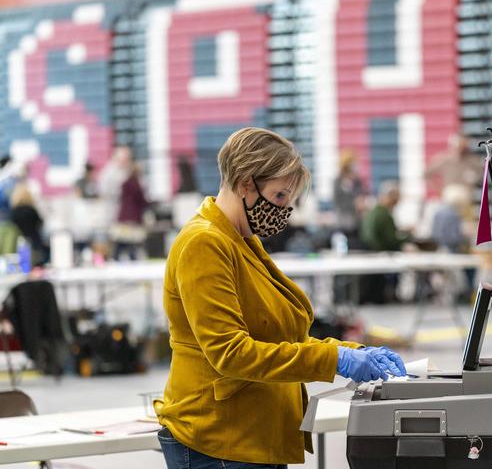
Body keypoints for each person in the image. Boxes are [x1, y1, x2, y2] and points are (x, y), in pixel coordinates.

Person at [156, 127, 406, 469]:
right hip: (218, 438)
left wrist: (345, 350)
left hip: (251, 433)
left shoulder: (241, 239)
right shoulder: (205, 243)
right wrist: (334, 360)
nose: (285, 211)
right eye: (278, 197)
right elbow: (231, 353)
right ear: (246, 182)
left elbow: (279, 336)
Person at [359, 180, 409, 303]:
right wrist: (407, 238)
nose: (398, 201)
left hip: (369, 252)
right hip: (381, 254)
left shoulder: (374, 211)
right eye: (396, 197)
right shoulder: (384, 215)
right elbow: (391, 240)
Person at [112, 163, 148, 261]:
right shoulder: (136, 186)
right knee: (133, 241)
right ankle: (133, 259)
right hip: (133, 217)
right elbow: (141, 201)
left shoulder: (125, 184)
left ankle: (115, 258)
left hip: (123, 216)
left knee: (121, 240)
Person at [9, 182, 46, 266]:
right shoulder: (32, 211)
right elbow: (40, 224)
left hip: (18, 244)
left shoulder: (13, 212)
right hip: (34, 243)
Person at [333, 150, 365, 246]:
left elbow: (361, 195)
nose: (355, 165)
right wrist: (354, 204)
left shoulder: (357, 180)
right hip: (343, 221)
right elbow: (337, 201)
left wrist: (361, 202)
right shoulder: (338, 181)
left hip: (357, 221)